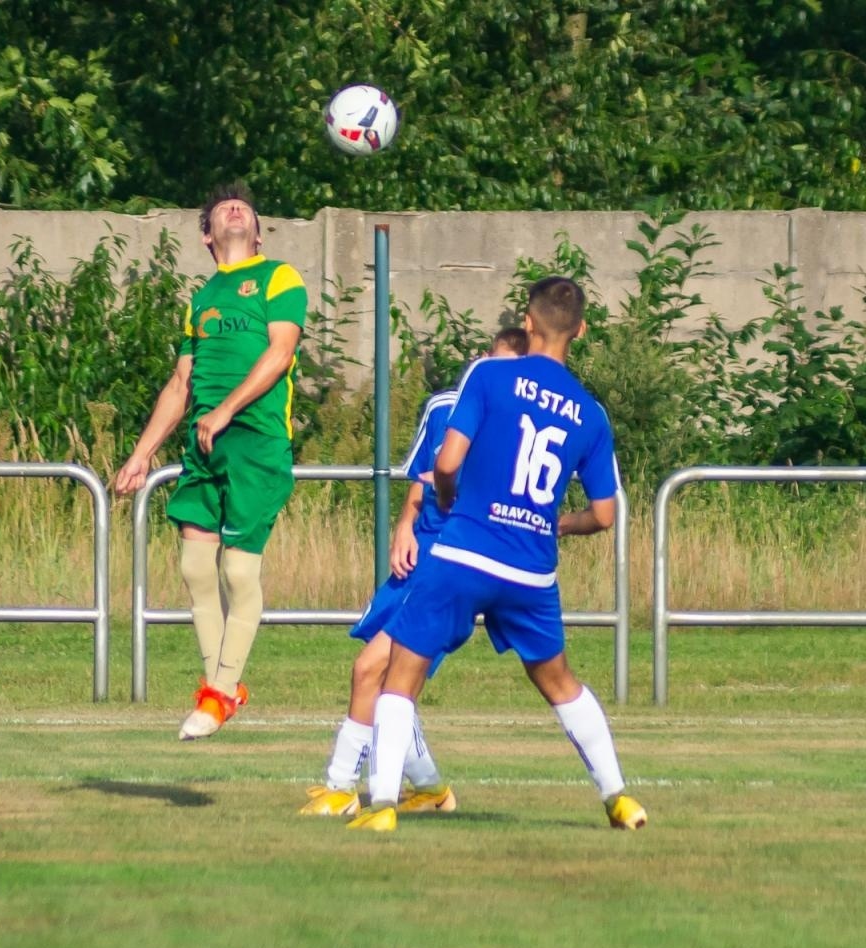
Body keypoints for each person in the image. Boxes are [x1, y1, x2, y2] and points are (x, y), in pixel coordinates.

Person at [347, 278, 646, 832]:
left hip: (465, 552)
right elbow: (605, 515)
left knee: (401, 677)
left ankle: (383, 805)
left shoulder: (488, 375)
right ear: (580, 330)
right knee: (561, 684)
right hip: (531, 569)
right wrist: (558, 523)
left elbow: (447, 462)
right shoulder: (591, 413)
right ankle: (619, 798)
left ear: (527, 323)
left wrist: (444, 498)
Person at [300, 326, 530, 818]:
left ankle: (342, 785)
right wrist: (404, 526)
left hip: (454, 563)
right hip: (418, 555)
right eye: (493, 364)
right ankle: (429, 789)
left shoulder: (519, 424)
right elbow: (420, 480)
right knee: (389, 678)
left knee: (372, 669)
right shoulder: (445, 406)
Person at [112, 185, 307, 741]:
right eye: (223, 209)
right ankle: (222, 688)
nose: (236, 210)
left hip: (254, 439)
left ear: (260, 233)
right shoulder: (199, 300)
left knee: (238, 572)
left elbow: (280, 353)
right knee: (196, 568)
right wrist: (141, 454)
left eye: (245, 208)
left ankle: (218, 695)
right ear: (206, 235)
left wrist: (225, 409)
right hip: (204, 442)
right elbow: (180, 384)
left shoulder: (278, 278)